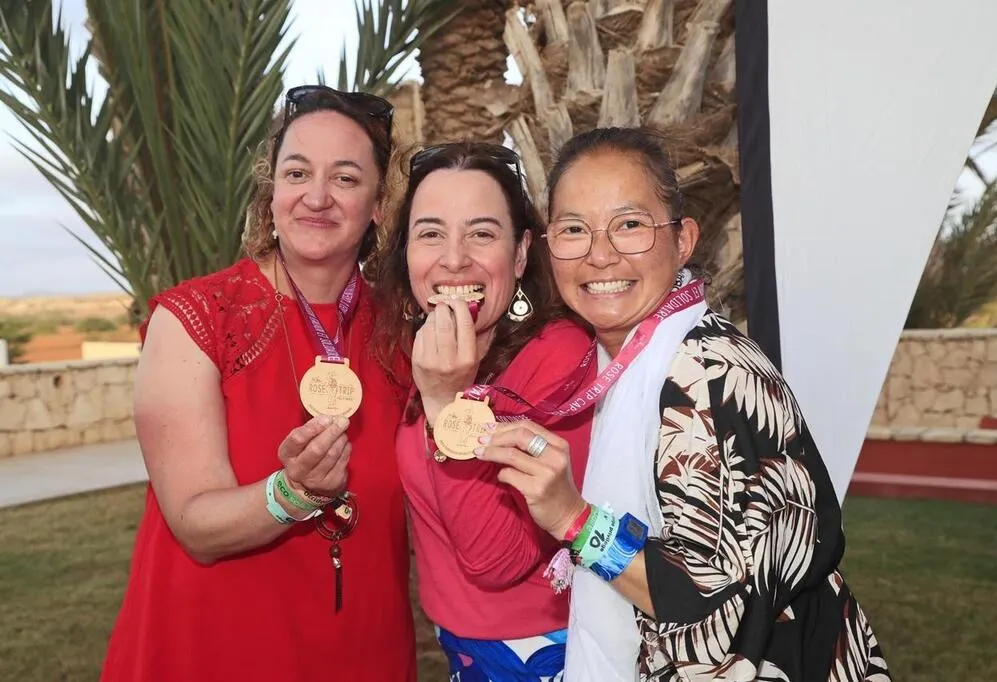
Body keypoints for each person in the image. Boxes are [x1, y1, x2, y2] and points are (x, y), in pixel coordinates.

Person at [477, 127, 892, 682]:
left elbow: (713, 604)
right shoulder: (623, 360)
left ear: (684, 240)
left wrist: (574, 520)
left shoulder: (708, 370)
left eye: (629, 225)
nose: (600, 255)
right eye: (574, 229)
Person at [101, 85, 417, 681]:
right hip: (215, 653)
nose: (317, 197)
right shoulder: (197, 319)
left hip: (362, 650)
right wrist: (294, 493)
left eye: (345, 178)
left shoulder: (404, 334)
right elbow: (195, 525)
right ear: (272, 192)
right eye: (297, 173)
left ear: (378, 204)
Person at [368, 141, 594, 680]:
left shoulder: (560, 358)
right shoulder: (411, 349)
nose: (454, 258)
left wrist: (449, 403)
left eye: (482, 234)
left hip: (543, 655)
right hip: (461, 653)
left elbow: (497, 561)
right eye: (430, 234)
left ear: (520, 254)